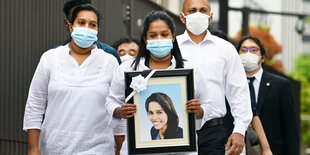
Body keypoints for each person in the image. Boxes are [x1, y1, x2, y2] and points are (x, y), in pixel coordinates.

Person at [106, 10, 209, 155]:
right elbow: (111, 102)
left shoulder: (189, 69)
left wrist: (198, 111)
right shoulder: (127, 69)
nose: (159, 39)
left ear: (173, 37)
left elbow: (208, 105)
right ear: (145, 39)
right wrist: (120, 111)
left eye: (164, 34)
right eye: (153, 35)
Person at [23, 4, 119, 154]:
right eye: (81, 23)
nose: (86, 28)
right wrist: (33, 147)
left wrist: (120, 148)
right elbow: (35, 104)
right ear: (70, 26)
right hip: (54, 148)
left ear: (98, 30)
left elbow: (118, 108)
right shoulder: (50, 58)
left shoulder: (110, 62)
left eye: (92, 25)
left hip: (99, 148)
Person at [177, 0, 252, 154]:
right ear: (182, 17)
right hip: (176, 131)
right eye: (192, 10)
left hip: (213, 131)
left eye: (203, 10)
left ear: (210, 17)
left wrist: (239, 130)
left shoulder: (226, 49)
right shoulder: (172, 47)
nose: (198, 14)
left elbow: (239, 91)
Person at [236, 36, 299, 155]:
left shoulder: (280, 85)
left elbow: (290, 127)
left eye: (253, 50)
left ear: (263, 58)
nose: (248, 53)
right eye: (243, 50)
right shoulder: (231, 84)